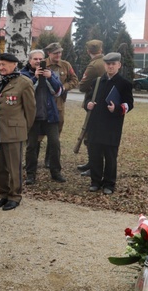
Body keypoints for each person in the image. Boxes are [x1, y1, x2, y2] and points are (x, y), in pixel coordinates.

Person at [83, 52, 134, 195]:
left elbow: (129, 104)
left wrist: (117, 108)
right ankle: (95, 181)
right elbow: (87, 99)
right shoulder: (97, 82)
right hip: (95, 125)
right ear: (104, 65)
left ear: (119, 65)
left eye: (113, 64)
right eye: (108, 64)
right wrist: (88, 104)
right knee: (94, 155)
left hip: (112, 126)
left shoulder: (124, 84)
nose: (110, 66)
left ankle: (109, 184)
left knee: (110, 157)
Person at [0, 53, 35, 211]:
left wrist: (24, 129)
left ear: (14, 65)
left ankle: (14, 196)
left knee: (13, 167)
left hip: (14, 132)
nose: (1, 67)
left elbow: (30, 110)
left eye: (4, 64)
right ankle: (3, 194)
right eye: (0, 64)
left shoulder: (24, 83)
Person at [21, 49, 66, 184]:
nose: (38, 61)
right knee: (31, 146)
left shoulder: (50, 73)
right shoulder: (24, 75)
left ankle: (56, 172)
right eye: (35, 59)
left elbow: (58, 92)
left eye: (41, 59)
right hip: (32, 117)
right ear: (30, 61)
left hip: (50, 115)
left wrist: (50, 78)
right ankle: (30, 174)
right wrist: (35, 77)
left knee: (54, 144)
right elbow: (24, 92)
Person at [44, 42, 78, 168]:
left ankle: (50, 159)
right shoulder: (42, 64)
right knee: (38, 132)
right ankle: (32, 160)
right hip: (43, 101)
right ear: (49, 53)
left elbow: (74, 80)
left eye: (60, 52)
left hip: (58, 102)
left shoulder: (65, 65)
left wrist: (64, 88)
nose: (58, 55)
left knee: (56, 132)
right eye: (55, 53)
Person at [77, 39, 106, 174]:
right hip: (105, 104)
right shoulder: (108, 62)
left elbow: (82, 87)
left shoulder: (93, 65)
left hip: (93, 103)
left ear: (88, 51)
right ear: (101, 49)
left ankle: (94, 165)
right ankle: (92, 163)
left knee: (91, 136)